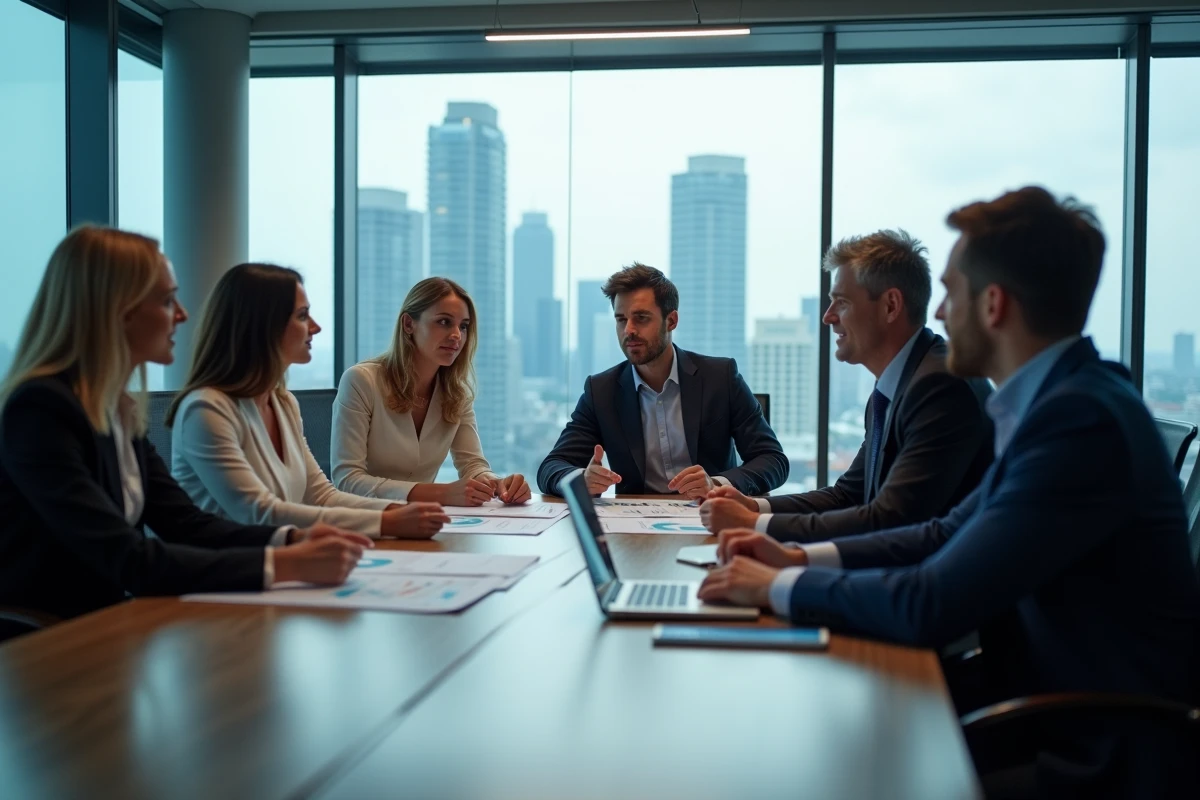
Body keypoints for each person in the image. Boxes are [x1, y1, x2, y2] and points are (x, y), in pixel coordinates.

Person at [697, 187, 1199, 795]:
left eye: (951, 294)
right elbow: (945, 531)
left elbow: (930, 600)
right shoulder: (1064, 401)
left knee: (835, 764)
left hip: (1092, 747)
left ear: (993, 305)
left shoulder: (1078, 423)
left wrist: (779, 584)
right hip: (1037, 694)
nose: (937, 314)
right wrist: (797, 557)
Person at [0, 227, 371, 621]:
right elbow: (127, 557)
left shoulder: (116, 407)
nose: (182, 314)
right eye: (166, 300)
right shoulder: (40, 410)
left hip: (107, 624)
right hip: (45, 640)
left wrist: (292, 538)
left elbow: (184, 523)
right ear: (116, 312)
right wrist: (289, 564)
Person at [700, 230, 993, 542]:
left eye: (841, 302)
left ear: (891, 306)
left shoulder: (939, 386)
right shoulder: (895, 387)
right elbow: (848, 495)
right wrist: (755, 507)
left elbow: (891, 519)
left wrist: (752, 524)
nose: (828, 318)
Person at [169, 264, 449, 539]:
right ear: (263, 325)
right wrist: (387, 522)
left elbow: (320, 496)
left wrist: (396, 511)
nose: (315, 327)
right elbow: (258, 512)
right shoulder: (206, 410)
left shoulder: (282, 403)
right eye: (303, 316)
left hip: (278, 565)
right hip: (222, 576)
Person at [537, 263, 788, 498]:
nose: (629, 330)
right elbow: (551, 467)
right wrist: (581, 478)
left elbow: (772, 459)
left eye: (641, 318)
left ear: (671, 321)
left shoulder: (720, 378)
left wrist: (717, 483)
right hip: (634, 532)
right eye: (621, 319)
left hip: (710, 516)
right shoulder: (601, 391)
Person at [332, 277, 530, 506]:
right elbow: (347, 480)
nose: (457, 335)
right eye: (444, 322)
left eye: (463, 326)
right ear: (408, 324)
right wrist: (440, 494)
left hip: (421, 524)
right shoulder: (362, 381)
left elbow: (473, 466)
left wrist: (498, 484)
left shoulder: (457, 393)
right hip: (363, 524)